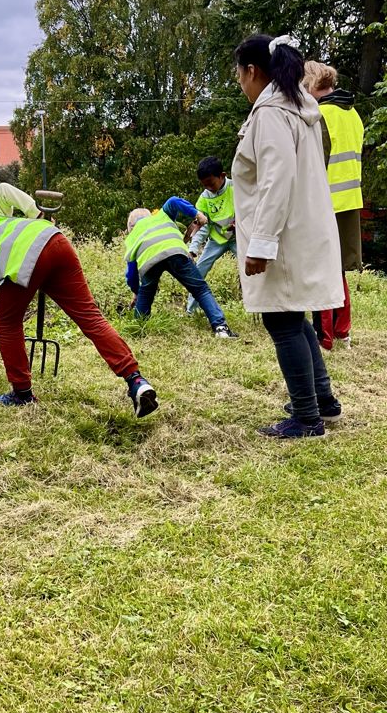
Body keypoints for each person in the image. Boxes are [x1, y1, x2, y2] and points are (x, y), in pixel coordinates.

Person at [0, 189, 159, 417]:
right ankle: (136, 380)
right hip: (55, 239)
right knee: (90, 317)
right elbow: (2, 190)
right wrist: (36, 213)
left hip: (27, 258)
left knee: (6, 323)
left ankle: (22, 393)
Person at [231, 35, 345, 438]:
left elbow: (276, 181)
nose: (239, 84)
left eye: (238, 74)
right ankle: (323, 402)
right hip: (299, 229)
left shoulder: (271, 115)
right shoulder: (299, 109)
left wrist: (261, 243)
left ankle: (307, 417)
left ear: (252, 71)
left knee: (283, 322)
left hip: (283, 236)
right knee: (295, 318)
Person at [303, 61, 363, 350]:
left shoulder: (320, 115)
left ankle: (322, 339)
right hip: (350, 201)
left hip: (325, 203)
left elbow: (313, 164)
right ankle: (343, 333)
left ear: (311, 85)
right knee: (337, 272)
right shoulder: (353, 115)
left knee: (321, 272)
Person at [125, 200, 233, 338]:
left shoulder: (131, 238)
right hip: (175, 252)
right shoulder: (161, 215)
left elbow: (131, 274)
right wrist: (197, 214)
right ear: (150, 215)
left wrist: (136, 292)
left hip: (149, 263)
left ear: (130, 227)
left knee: (145, 294)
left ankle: (138, 331)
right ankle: (220, 328)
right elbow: (174, 201)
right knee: (200, 289)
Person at [184, 156, 238, 313]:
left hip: (238, 238)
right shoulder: (204, 199)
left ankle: (265, 309)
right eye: (204, 185)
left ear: (222, 175)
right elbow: (201, 227)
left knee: (250, 269)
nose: (209, 187)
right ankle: (190, 311)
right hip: (216, 240)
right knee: (198, 272)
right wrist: (193, 250)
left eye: (211, 183)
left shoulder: (236, 187)